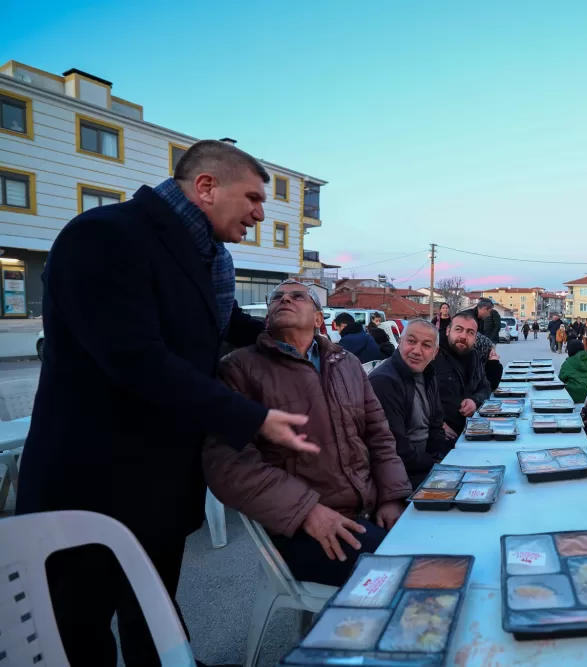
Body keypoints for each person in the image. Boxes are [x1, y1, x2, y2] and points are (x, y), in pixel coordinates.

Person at [16, 141, 319, 667]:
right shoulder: (105, 235)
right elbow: (135, 358)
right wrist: (251, 418)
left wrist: (295, 336)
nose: (259, 213)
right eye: (252, 198)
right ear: (206, 187)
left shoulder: (209, 259)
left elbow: (219, 325)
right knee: (79, 625)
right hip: (93, 478)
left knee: (153, 608)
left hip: (161, 480)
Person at [204, 281, 410, 589]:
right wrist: (306, 511)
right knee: (410, 572)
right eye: (277, 297)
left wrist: (391, 497)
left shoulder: (347, 363)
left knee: (442, 543)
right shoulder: (239, 369)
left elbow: (379, 436)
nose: (285, 299)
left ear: (318, 318)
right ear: (268, 317)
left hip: (366, 509)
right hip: (301, 525)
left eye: (297, 296)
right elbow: (228, 464)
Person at [369, 320, 452, 487]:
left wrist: (440, 458)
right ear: (400, 342)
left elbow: (436, 426)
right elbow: (398, 448)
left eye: (426, 345)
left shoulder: (429, 374)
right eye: (411, 341)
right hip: (399, 475)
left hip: (426, 463)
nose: (417, 351)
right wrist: (434, 464)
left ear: (435, 352)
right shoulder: (384, 381)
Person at [433, 312, 491, 439]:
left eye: (470, 332)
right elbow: (415, 397)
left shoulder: (474, 356)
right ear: (448, 331)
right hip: (440, 435)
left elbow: (485, 388)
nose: (463, 336)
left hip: (470, 429)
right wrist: (434, 424)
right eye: (458, 329)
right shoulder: (432, 354)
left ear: (475, 337)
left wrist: (474, 401)